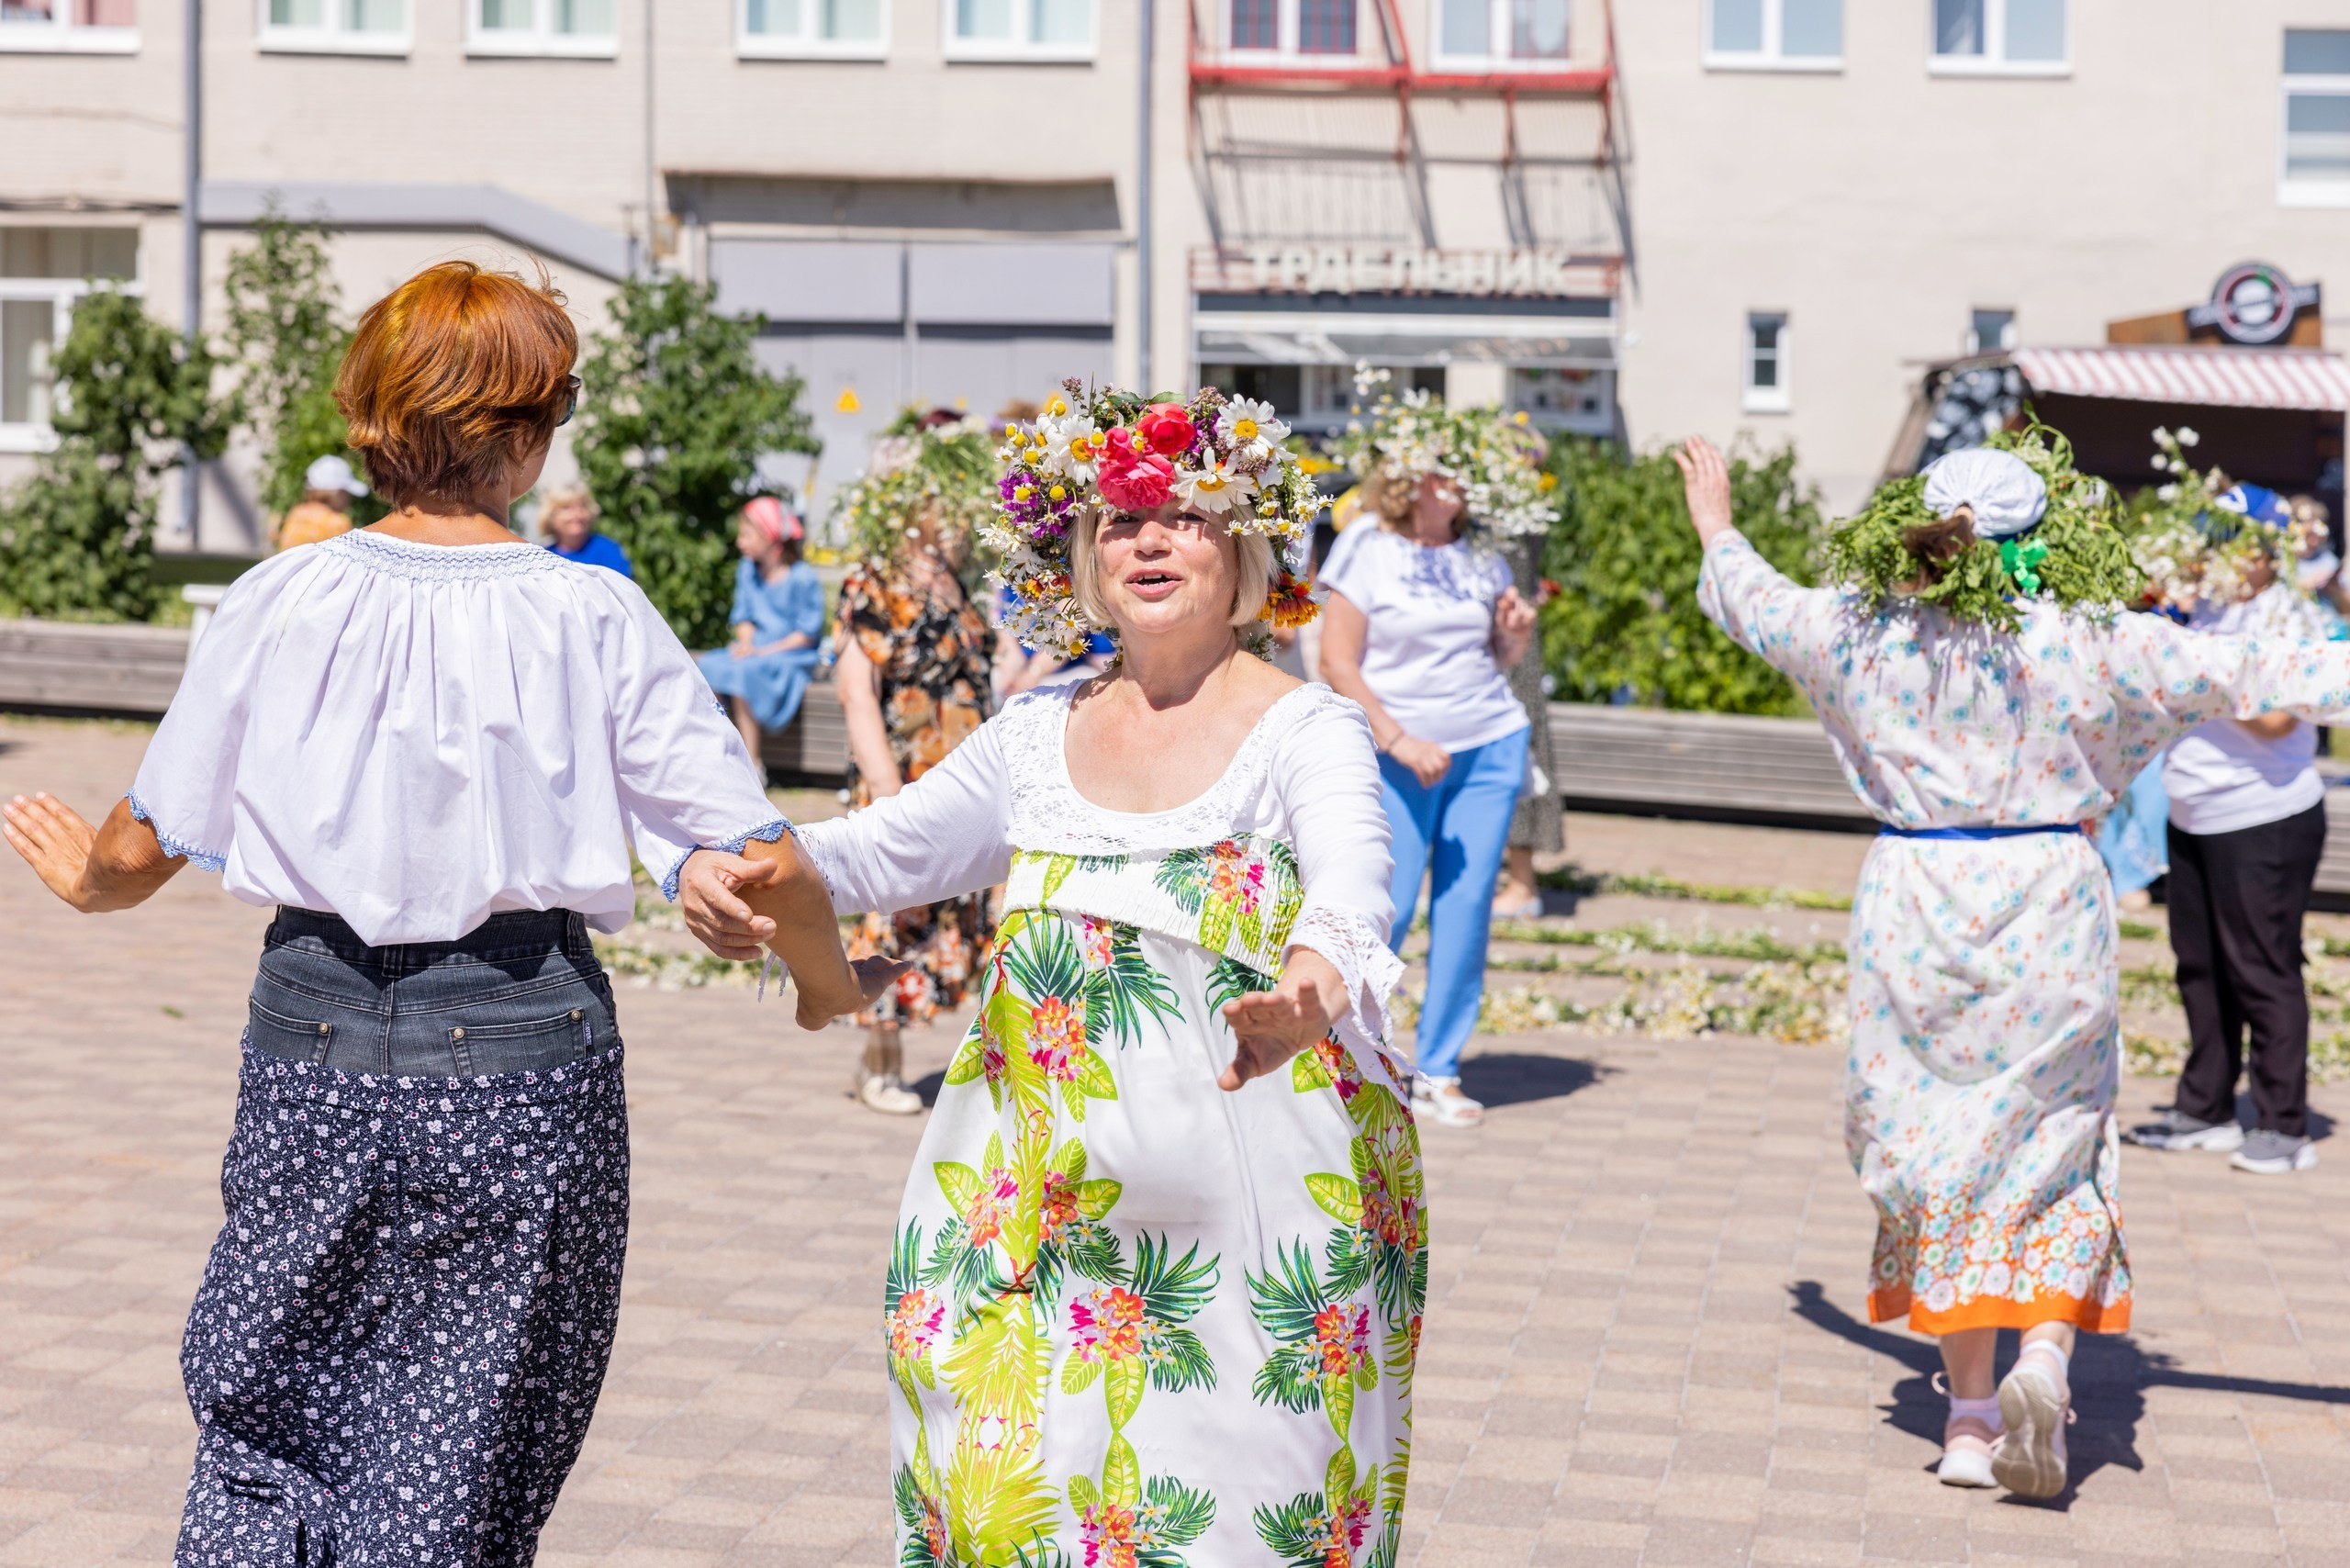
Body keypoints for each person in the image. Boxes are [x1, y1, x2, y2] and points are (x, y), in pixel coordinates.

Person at [0, 260, 895, 1568]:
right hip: (523, 1057)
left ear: (373, 419)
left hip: (309, 1038)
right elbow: (765, 859)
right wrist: (825, 986)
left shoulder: (279, 596)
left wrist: (86, 879)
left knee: (265, 1418)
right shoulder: (588, 611)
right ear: (527, 438)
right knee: (459, 1452)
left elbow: (143, 844)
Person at [677, 381, 1419, 1566]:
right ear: (1083, 555)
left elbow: (1352, 885)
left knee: (1232, 1523)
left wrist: (1309, 992)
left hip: (1251, 1196)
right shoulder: (1036, 731)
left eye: (1185, 514)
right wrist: (731, 865)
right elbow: (878, 851)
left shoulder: (1305, 726)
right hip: (1036, 1197)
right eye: (1121, 520)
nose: (1150, 540)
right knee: (1010, 1499)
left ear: (1243, 546)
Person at [1678, 428, 2350, 1500]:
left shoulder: (1860, 629)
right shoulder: (2093, 636)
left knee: (1941, 1147)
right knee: (2054, 1142)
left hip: (1915, 901)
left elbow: (1758, 602)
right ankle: (2043, 1354)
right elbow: (2265, 669)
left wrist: (1716, 523)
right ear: (2045, 532)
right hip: (2048, 899)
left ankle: (1966, 1420)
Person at [1317, 375, 1553, 1128]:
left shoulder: (1484, 554)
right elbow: (1336, 661)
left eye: (1467, 471)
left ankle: (1441, 1070)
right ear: (1411, 475)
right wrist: (1398, 740)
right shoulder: (1367, 545)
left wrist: (1512, 636)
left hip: (1488, 743)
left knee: (1466, 909)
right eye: (1447, 468)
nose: (1459, 483)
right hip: (1395, 752)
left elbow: (1496, 658)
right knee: (1381, 911)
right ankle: (1353, 1057)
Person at [2130, 483, 2334, 1173]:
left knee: (2263, 968)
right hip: (2193, 811)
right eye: (2212, 538)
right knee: (2200, 966)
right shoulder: (2205, 606)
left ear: (2270, 550)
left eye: (2234, 542)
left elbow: (2278, 718)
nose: (2220, 554)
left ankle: (2283, 1125)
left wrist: (2197, 670)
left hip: (2263, 815)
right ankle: (2206, 1108)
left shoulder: (2288, 615)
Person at [828, 409, 1002, 1114]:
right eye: (944, 498)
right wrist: (888, 793)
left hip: (966, 773)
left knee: (960, 911)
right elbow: (857, 692)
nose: (957, 512)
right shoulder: (872, 582)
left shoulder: (957, 578)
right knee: (895, 913)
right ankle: (879, 1065)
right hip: (906, 773)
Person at [698, 495, 828, 760]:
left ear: (770, 537)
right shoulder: (747, 570)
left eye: (746, 535)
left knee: (744, 673)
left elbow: (806, 635)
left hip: (792, 656)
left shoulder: (802, 577)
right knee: (708, 666)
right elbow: (744, 616)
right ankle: (721, 751)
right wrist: (747, 643)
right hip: (757, 652)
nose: (739, 542)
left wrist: (762, 651)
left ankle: (752, 762)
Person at [271, 452, 366, 550]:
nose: (349, 499)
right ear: (336, 492)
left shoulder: (296, 513)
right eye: (346, 493)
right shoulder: (337, 523)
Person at [542, 482, 634, 577]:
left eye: (582, 507)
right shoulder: (543, 557)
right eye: (567, 508)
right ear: (551, 516)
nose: (577, 514)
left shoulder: (608, 550)